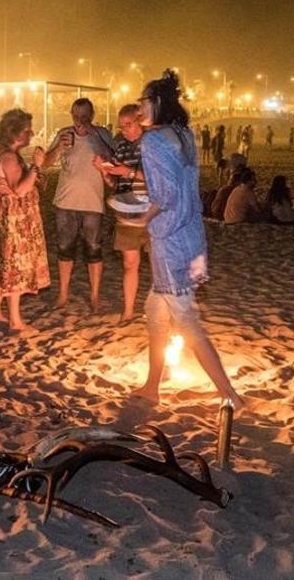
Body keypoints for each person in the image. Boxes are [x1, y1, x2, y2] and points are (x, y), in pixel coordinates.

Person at [127, 70, 243, 409]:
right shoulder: (185, 134)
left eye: (143, 101)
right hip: (193, 235)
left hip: (170, 239)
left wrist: (139, 218)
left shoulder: (152, 140)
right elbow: (182, 186)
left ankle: (230, 395)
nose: (138, 108)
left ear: (158, 103)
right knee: (155, 309)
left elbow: (163, 195)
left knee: (187, 320)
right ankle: (152, 384)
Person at [0, 108, 50, 331]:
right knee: (14, 267)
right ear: (16, 133)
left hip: (5, 217)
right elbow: (20, 189)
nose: (31, 134)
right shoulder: (9, 157)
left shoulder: (4, 152)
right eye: (27, 131)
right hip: (13, 222)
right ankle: (15, 321)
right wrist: (36, 166)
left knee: (3, 265)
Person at [42, 98, 112, 312]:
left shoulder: (101, 134)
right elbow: (45, 163)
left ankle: (95, 296)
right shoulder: (64, 133)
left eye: (83, 116)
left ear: (91, 115)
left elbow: (111, 157)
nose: (79, 120)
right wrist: (58, 148)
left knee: (94, 249)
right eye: (75, 115)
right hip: (65, 201)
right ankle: (63, 294)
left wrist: (93, 135)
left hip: (92, 202)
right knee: (65, 249)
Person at [94, 104, 147, 322]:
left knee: (160, 264)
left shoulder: (151, 145)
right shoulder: (121, 147)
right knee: (129, 262)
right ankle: (128, 311)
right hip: (127, 210)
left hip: (153, 210)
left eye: (128, 125)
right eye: (121, 125)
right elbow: (117, 183)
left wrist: (129, 171)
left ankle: (162, 310)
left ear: (140, 121)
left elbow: (159, 178)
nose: (124, 129)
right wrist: (105, 171)